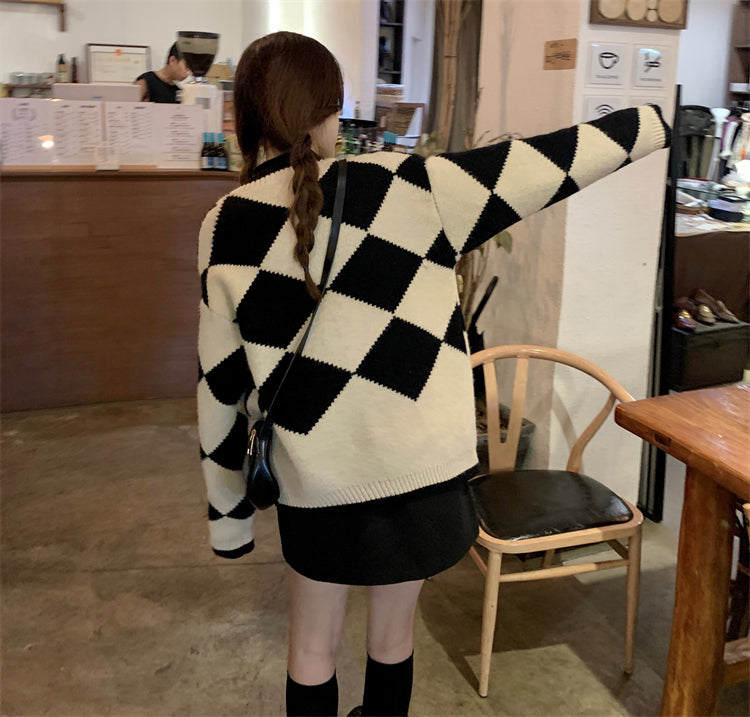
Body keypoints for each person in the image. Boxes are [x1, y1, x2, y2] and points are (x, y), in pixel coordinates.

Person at [197, 31, 670, 717]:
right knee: (394, 639)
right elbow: (553, 160)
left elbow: (219, 387)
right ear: (330, 111)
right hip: (423, 483)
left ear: (246, 116)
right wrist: (651, 121)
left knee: (311, 646)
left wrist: (229, 519)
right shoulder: (415, 185)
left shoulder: (225, 225)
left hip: (316, 485)